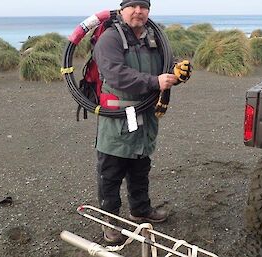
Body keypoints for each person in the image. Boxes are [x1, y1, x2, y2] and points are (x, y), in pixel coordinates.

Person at [93, 0, 191, 243]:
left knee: (140, 166)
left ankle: (140, 209)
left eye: (143, 6)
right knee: (111, 171)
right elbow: (115, 74)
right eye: (133, 6)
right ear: (122, 9)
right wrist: (155, 82)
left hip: (145, 117)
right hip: (118, 118)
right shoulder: (110, 39)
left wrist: (178, 73)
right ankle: (110, 220)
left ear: (149, 11)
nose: (138, 11)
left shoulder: (155, 38)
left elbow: (168, 67)